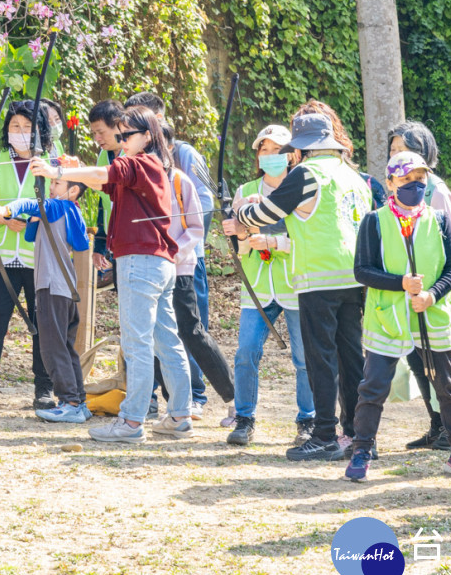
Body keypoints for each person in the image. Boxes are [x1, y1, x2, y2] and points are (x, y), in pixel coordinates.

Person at [32, 106, 194, 443]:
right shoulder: (149, 166)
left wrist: (54, 170)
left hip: (141, 261)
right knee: (164, 340)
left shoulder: (142, 162)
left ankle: (132, 422)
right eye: (117, 136)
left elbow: (105, 175)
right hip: (157, 263)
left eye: (126, 136)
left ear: (148, 135)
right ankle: (179, 414)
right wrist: (74, 170)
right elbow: (105, 179)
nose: (120, 142)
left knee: (137, 344)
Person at [227, 111, 371, 462]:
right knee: (351, 358)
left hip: (317, 278)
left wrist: (239, 215)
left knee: (320, 359)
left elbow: (267, 214)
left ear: (302, 147)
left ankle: (323, 434)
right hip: (354, 276)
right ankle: (356, 433)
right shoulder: (353, 176)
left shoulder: (307, 174)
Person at [345, 152, 451, 482]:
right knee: (373, 387)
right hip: (387, 318)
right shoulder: (374, 221)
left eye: (420, 179)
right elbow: (362, 270)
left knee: (446, 385)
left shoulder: (441, 220)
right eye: (406, 179)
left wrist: (431, 294)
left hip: (432, 316)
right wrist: (399, 283)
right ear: (390, 183)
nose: (414, 185)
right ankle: (361, 450)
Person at [0, 99, 57, 412]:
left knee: (42, 323)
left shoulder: (50, 163)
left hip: (39, 256)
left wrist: (32, 219)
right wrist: (2, 218)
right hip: (1, 257)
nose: (19, 132)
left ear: (40, 130)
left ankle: (44, 389)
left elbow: (65, 204)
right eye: (14, 126)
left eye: (27, 127)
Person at [225, 124, 315, 447]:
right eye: (265, 150)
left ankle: (308, 420)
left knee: (304, 357)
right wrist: (240, 233)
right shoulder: (246, 189)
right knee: (246, 351)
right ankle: (244, 418)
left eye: (278, 151)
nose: (271, 156)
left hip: (293, 283)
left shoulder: (301, 187)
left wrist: (273, 242)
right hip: (258, 287)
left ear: (290, 155)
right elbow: (240, 244)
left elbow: (306, 241)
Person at [126, 93, 213, 414]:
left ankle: (196, 396)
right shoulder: (132, 159)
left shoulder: (184, 155)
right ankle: (154, 399)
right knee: (153, 329)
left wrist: (179, 245)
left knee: (189, 330)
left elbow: (204, 205)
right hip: (149, 262)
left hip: (186, 260)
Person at [0, 177, 91, 422]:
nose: (50, 188)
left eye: (56, 184)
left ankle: (70, 402)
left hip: (52, 285)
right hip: (64, 288)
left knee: (52, 347)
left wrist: (5, 210)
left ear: (73, 190)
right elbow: (31, 234)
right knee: (65, 347)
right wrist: (31, 217)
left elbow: (29, 203)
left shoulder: (57, 207)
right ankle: (78, 401)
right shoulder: (69, 211)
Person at [157, 123, 237, 421]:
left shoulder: (180, 180)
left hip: (179, 269)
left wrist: (172, 252)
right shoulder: (135, 179)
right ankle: (177, 403)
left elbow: (196, 226)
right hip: (147, 270)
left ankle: (235, 396)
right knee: (156, 335)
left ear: (169, 147)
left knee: (191, 330)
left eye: (159, 145)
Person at [387, 120, 451, 451]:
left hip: (433, 293)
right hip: (407, 290)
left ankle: (450, 428)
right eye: (394, 150)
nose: (398, 155)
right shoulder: (393, 193)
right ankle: (434, 424)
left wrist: (433, 291)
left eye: (405, 149)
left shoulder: (436, 191)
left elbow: (448, 249)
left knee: (438, 364)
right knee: (417, 360)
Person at [88, 100, 125, 289]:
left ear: (119, 125)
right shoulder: (104, 156)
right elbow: (104, 204)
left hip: (133, 242)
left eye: (101, 132)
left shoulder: (135, 154)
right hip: (116, 242)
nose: (97, 138)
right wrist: (100, 246)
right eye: (94, 133)